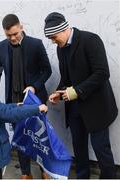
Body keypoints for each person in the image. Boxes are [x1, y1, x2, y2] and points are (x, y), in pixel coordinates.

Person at [44, 12, 118, 179]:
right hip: (75, 109)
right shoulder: (60, 48)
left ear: (64, 30)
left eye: (54, 37)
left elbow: (102, 73)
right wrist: (58, 91)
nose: (53, 41)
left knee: (101, 149)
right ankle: (82, 177)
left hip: (97, 107)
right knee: (79, 147)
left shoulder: (91, 40)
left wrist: (76, 91)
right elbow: (66, 77)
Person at [0, 14, 52, 179]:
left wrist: (34, 86)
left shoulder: (36, 44)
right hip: (13, 102)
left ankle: (43, 170)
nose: (12, 37)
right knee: (20, 138)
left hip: (34, 99)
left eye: (15, 34)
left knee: (39, 136)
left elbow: (47, 70)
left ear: (21, 26)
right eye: (8, 35)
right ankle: (26, 173)